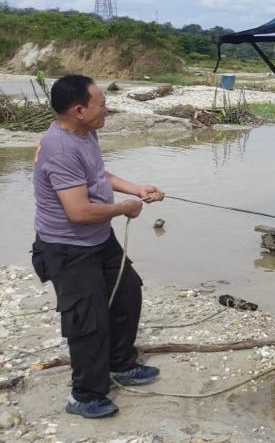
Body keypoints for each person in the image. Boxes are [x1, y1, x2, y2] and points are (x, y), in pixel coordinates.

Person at [30, 74, 165, 419]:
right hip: (67, 248)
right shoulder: (60, 148)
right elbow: (78, 211)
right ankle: (85, 396)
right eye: (101, 104)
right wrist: (125, 209)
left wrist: (136, 189)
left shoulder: (84, 133)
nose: (107, 108)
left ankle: (121, 364)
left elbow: (97, 175)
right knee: (88, 320)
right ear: (78, 110)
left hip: (98, 239)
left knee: (127, 291)